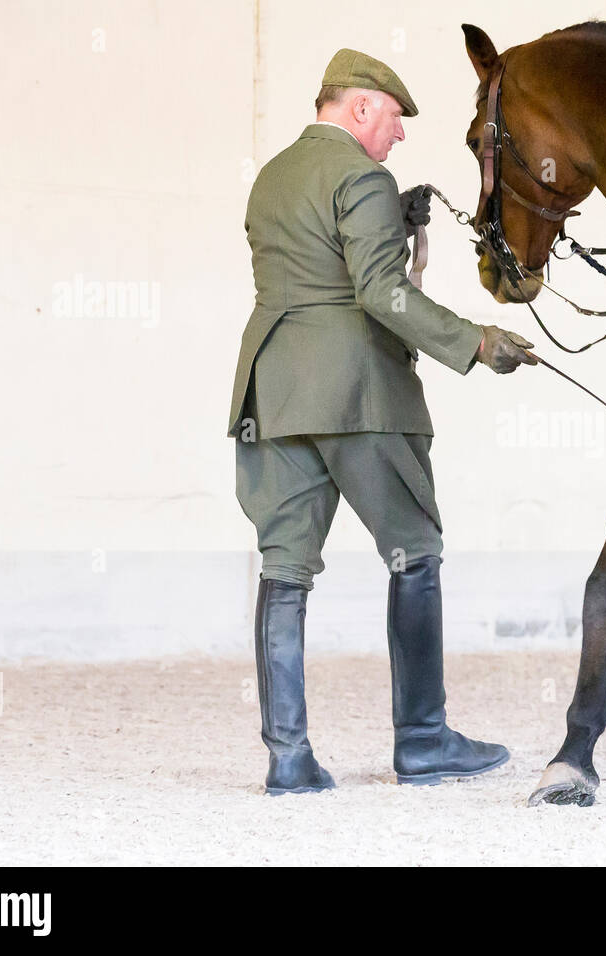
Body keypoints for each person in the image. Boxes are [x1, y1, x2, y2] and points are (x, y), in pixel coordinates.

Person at [227, 48, 537, 794]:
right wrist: (479, 342)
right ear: (361, 106)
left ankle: (289, 758)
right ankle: (424, 741)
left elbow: (314, 269)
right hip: (359, 394)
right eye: (394, 119)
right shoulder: (363, 176)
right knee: (415, 552)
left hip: (275, 391)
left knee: (285, 568)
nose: (398, 137)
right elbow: (379, 295)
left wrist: (392, 227)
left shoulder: (271, 178)